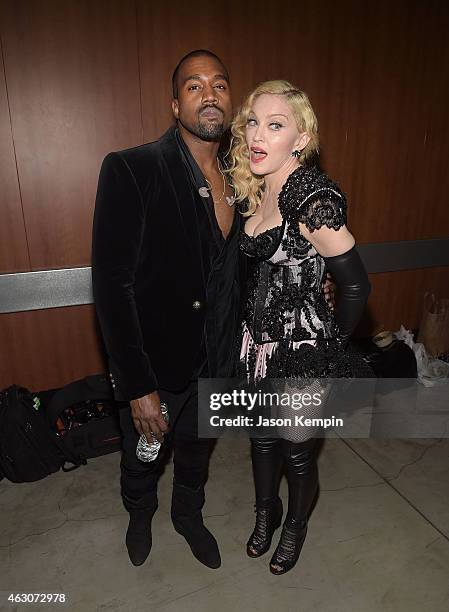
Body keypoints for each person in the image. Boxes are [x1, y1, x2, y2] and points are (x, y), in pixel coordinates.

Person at [91, 49, 239, 569]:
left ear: (229, 100)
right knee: (142, 457)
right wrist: (136, 385)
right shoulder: (133, 169)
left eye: (219, 85)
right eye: (195, 87)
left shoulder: (245, 179)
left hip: (219, 362)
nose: (209, 95)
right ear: (176, 105)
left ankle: (188, 515)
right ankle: (139, 513)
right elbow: (112, 286)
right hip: (157, 363)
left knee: (198, 451)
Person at [228, 80, 372, 575]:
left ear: (301, 139)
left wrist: (331, 349)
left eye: (275, 124)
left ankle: (295, 524)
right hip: (259, 346)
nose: (258, 136)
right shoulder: (257, 185)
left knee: (298, 453)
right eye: (252, 122)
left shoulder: (310, 195)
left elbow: (355, 284)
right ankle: (265, 513)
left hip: (302, 350)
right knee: (262, 441)